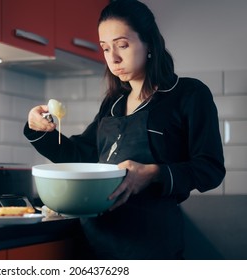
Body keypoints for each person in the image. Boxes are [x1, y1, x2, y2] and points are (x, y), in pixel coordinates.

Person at [23, 0, 225, 259]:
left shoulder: (188, 95)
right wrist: (38, 128)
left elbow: (210, 169)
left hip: (151, 246)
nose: (113, 58)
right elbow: (83, 156)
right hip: (95, 239)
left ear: (149, 43)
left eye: (122, 45)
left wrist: (153, 173)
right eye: (106, 48)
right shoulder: (113, 102)